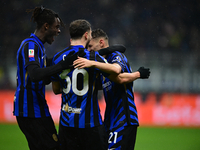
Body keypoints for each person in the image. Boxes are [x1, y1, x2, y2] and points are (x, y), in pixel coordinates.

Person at [51, 19, 125, 150]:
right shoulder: (92, 57)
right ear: (86, 35)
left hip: (67, 124)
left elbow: (56, 89)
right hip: (90, 125)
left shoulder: (57, 57)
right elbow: (116, 76)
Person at [73, 28, 150, 150]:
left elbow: (118, 72)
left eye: (91, 46)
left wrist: (91, 63)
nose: (89, 50)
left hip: (124, 118)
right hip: (110, 119)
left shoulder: (116, 56)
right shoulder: (102, 63)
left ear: (101, 43)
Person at [13, 6, 76, 150]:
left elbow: (44, 76)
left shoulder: (39, 47)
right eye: (57, 27)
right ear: (46, 26)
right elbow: (35, 74)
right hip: (29, 110)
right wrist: (61, 65)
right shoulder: (30, 45)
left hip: (37, 107)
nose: (59, 31)